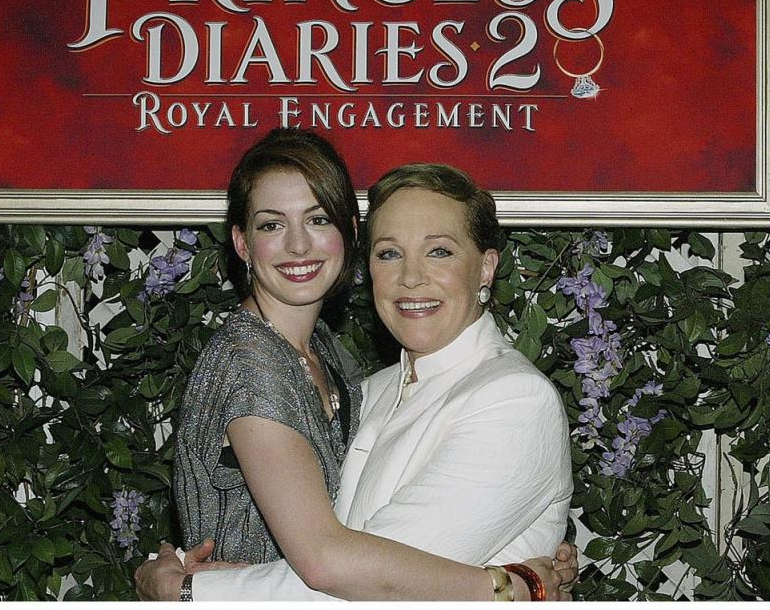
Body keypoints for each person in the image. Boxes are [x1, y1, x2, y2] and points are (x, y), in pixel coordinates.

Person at [136, 136, 576, 600]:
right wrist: (514, 586)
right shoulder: (368, 386)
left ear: (486, 268)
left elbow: (360, 585)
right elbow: (342, 566)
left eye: (439, 251)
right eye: (389, 253)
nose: (411, 277)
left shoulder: (514, 400)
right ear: (241, 243)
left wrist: (187, 592)